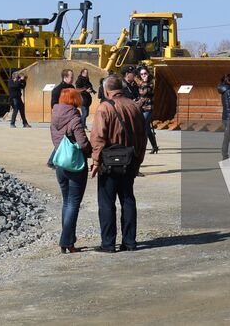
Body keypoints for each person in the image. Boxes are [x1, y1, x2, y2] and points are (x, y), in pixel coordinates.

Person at [90, 76, 148, 252]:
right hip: (130, 160)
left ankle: (108, 244)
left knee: (106, 203)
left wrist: (95, 162)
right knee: (128, 200)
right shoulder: (134, 106)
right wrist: (138, 161)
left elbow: (98, 138)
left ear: (107, 90)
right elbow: (142, 138)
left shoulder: (104, 108)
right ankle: (129, 242)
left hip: (109, 162)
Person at [50, 87, 92, 253]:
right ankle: (66, 240)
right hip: (75, 164)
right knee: (74, 203)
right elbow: (82, 143)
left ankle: (69, 241)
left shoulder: (54, 116)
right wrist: (90, 151)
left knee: (67, 202)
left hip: (60, 163)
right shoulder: (74, 118)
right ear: (74, 100)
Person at [135, 66, 160, 155]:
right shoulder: (142, 83)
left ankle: (141, 146)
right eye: (141, 74)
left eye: (145, 73)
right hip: (142, 107)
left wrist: (144, 82)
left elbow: (144, 92)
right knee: (147, 129)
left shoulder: (150, 83)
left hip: (148, 108)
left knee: (142, 125)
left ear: (148, 74)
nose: (143, 75)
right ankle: (155, 146)